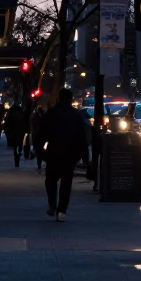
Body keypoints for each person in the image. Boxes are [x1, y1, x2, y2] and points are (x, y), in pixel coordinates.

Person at [39, 88, 88, 222]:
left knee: (50, 180)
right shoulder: (76, 115)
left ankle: (52, 204)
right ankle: (62, 210)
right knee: (66, 183)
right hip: (70, 154)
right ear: (71, 99)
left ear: (59, 98)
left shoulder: (51, 113)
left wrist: (40, 151)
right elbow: (82, 137)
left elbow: (42, 133)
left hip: (54, 152)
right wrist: (85, 157)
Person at [5, 102, 27, 167]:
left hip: (13, 131)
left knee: (14, 146)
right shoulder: (22, 114)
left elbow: (7, 123)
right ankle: (19, 151)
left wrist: (7, 132)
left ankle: (16, 158)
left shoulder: (10, 115)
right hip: (21, 131)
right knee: (20, 142)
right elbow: (25, 123)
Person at [29, 102, 46, 173]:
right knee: (40, 150)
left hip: (38, 136)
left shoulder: (34, 116)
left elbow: (31, 125)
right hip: (41, 136)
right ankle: (40, 162)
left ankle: (39, 162)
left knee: (39, 150)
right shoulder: (44, 116)